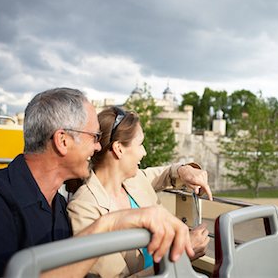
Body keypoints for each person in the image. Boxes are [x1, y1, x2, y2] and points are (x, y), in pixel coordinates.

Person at [0, 88, 194, 277]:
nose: (98, 147)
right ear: (63, 141)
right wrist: (108, 225)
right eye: (94, 137)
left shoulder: (57, 206)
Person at [67, 106, 213, 277]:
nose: (144, 152)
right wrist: (180, 255)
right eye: (140, 144)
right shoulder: (83, 209)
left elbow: (165, 173)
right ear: (119, 148)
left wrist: (184, 170)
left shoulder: (133, 180)